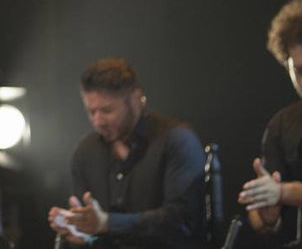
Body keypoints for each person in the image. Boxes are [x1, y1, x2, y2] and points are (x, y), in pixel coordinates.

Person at [47, 58, 207, 249]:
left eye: (107, 110)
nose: (98, 121)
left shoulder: (177, 140)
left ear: (135, 99)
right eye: (91, 112)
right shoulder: (85, 152)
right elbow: (95, 235)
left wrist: (108, 223)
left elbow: (182, 222)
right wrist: (80, 230)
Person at [238, 0, 302, 241]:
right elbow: (261, 222)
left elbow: (282, 191)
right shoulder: (281, 126)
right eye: (300, 70)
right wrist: (266, 211)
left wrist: (283, 192)